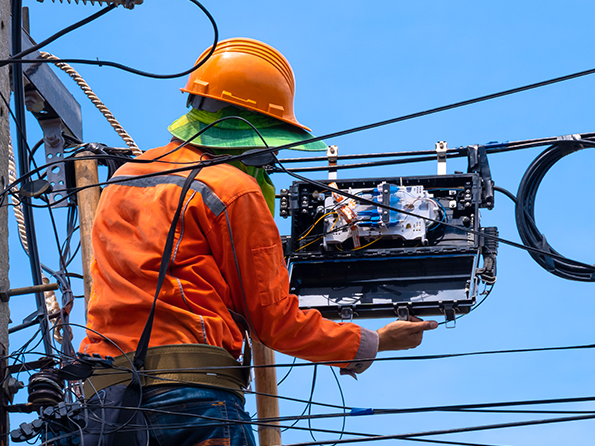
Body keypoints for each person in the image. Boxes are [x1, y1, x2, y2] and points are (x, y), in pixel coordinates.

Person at [79, 37, 437, 444]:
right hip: (192, 398)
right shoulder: (232, 190)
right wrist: (371, 342)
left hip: (102, 403)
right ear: (254, 134)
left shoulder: (125, 177)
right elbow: (276, 322)